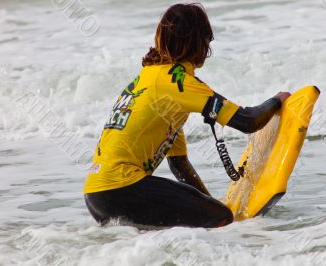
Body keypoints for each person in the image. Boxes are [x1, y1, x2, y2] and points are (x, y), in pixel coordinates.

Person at [84, 3, 291, 228]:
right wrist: (277, 101)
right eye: (207, 40)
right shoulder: (177, 82)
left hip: (96, 195)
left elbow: (179, 164)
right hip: (124, 188)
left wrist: (207, 204)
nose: (208, 48)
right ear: (196, 42)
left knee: (187, 225)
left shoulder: (148, 78)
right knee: (220, 218)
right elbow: (248, 121)